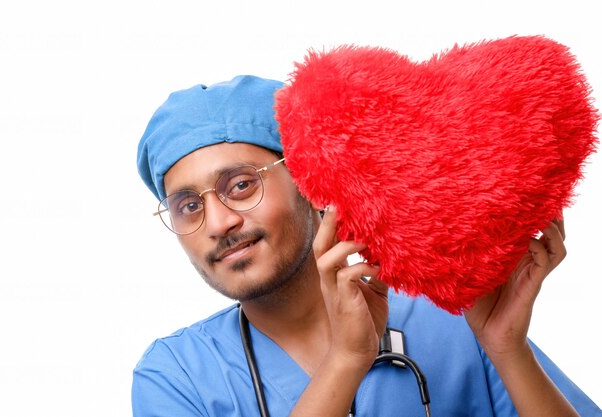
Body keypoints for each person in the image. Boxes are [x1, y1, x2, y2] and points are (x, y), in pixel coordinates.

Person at [132, 75, 601, 416]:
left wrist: (506, 350)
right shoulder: (176, 375)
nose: (218, 222)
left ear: (310, 184)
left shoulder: (453, 319)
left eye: (240, 186)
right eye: (188, 206)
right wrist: (347, 360)